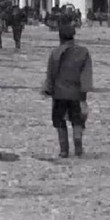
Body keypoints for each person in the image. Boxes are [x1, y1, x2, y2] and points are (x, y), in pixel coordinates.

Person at [42, 20, 93, 158]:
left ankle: (64, 149)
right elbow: (86, 74)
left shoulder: (56, 53)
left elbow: (50, 73)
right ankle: (78, 143)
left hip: (59, 93)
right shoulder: (83, 52)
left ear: (60, 37)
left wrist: (48, 89)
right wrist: (84, 91)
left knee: (59, 121)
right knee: (77, 120)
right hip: (76, 93)